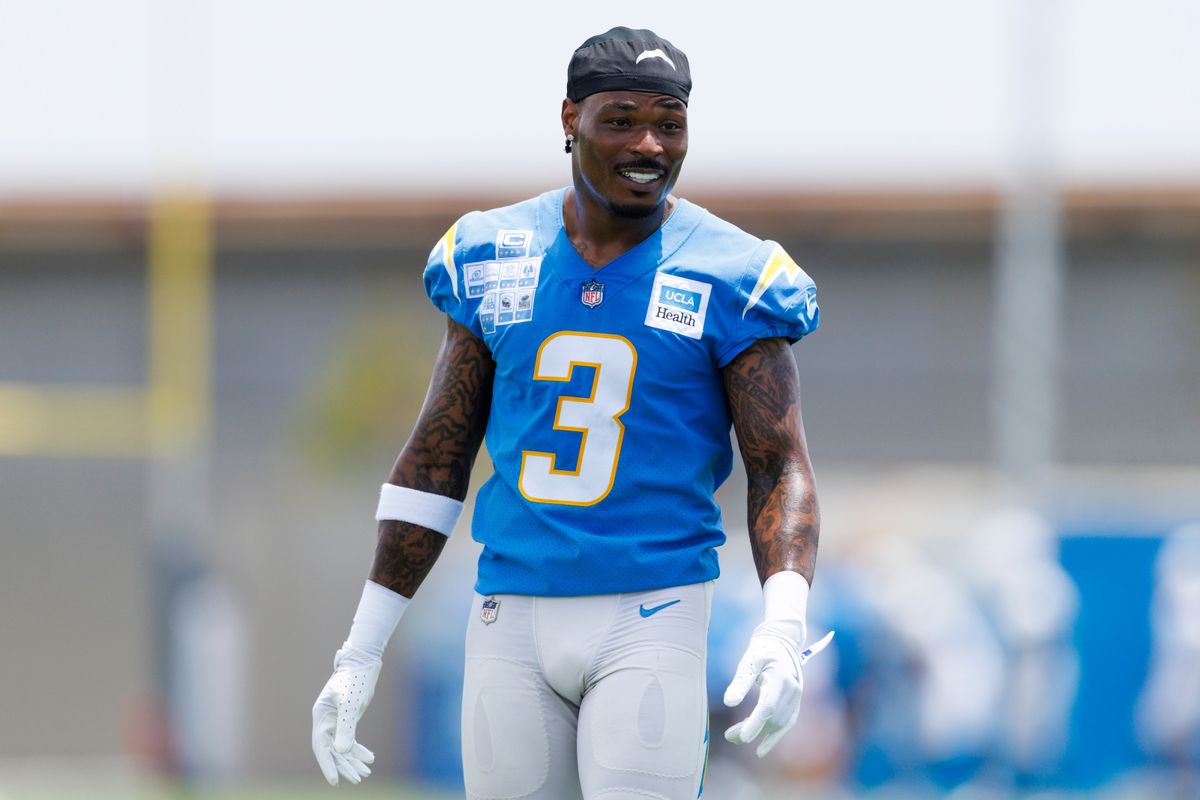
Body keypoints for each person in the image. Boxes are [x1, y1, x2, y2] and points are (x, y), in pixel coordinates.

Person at [312, 26, 830, 799]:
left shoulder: (733, 271)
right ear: (569, 120)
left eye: (670, 122)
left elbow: (779, 463)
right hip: (509, 615)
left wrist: (784, 624)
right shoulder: (491, 254)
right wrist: (361, 648)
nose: (648, 143)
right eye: (620, 119)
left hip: (651, 610)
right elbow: (436, 457)